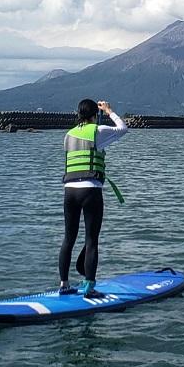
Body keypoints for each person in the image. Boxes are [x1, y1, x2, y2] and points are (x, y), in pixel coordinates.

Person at [58, 99, 127, 299]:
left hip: (69, 191)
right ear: (94, 115)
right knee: (91, 240)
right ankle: (89, 288)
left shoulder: (69, 134)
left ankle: (64, 284)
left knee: (68, 238)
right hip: (90, 190)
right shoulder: (97, 130)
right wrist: (109, 110)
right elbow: (123, 129)